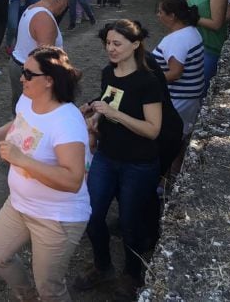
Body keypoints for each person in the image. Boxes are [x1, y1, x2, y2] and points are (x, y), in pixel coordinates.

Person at [0, 46, 90, 302]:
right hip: (20, 204)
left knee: (49, 287)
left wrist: (22, 160)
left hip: (56, 217)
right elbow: (20, 122)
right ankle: (29, 297)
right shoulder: (28, 99)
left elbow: (73, 180)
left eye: (28, 74)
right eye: (22, 71)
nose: (21, 77)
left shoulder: (67, 121)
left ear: (49, 80)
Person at [75, 20, 163, 298]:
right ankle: (103, 266)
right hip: (107, 155)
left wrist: (115, 116)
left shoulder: (147, 81)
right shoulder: (108, 73)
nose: (110, 49)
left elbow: (152, 129)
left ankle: (132, 274)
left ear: (135, 45)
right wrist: (96, 113)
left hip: (139, 163)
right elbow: (112, 99)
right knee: (91, 214)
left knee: (129, 222)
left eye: (117, 44)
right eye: (108, 43)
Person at [7, 0, 71, 112]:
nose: (66, 5)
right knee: (32, 113)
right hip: (31, 73)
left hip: (20, 65)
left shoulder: (33, 8)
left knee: (21, 110)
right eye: (66, 1)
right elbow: (45, 57)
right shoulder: (44, 18)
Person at [153, 0, 205, 136]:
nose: (158, 15)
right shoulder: (192, 31)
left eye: (160, 12)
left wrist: (149, 81)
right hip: (189, 97)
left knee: (171, 136)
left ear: (172, 16)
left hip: (178, 98)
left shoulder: (178, 40)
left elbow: (175, 73)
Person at [186, 0, 229, 86]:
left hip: (208, 47)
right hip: (193, 45)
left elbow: (216, 24)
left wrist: (193, 17)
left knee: (201, 88)